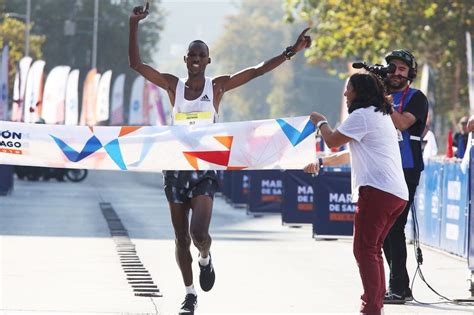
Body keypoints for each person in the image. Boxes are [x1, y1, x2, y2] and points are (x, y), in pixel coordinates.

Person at [128, 3, 311, 314]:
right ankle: (189, 294)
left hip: (205, 170)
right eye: (192, 55)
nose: (196, 59)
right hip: (176, 168)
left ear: (207, 60)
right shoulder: (174, 85)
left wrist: (291, 51)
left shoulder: (217, 86)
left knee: (199, 234)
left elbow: (256, 70)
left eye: (201, 55)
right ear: (185, 60)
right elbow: (136, 64)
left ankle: (206, 257)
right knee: (179, 238)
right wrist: (133, 24)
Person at [304, 72, 408, 315]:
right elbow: (352, 152)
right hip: (395, 194)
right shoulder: (380, 115)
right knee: (372, 249)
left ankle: (371, 307)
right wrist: (322, 163)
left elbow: (332, 140)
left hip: (378, 192)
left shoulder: (362, 115)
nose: (345, 94)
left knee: (364, 250)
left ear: (359, 92)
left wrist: (320, 121)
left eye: (348, 89)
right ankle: (375, 305)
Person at [382, 49, 429, 304]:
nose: (396, 73)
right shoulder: (380, 97)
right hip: (383, 169)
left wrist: (382, 99)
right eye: (392, 68)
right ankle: (401, 285)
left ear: (410, 73)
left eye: (401, 69)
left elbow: (401, 123)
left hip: (407, 170)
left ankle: (398, 289)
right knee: (384, 230)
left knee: (394, 227)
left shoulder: (416, 98)